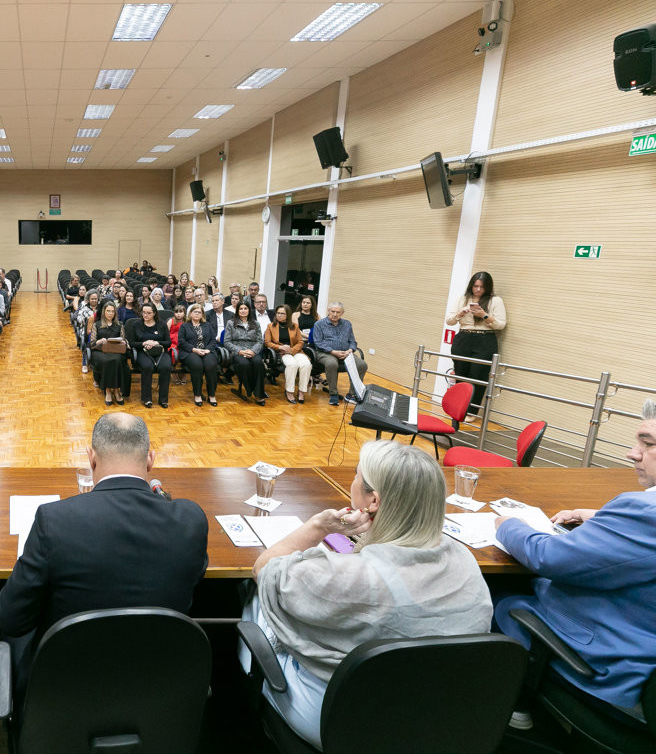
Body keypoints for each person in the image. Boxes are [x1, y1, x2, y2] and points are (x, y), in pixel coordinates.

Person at [240, 440, 491, 749]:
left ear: (373, 500)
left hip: (345, 723)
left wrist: (318, 525)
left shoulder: (349, 578)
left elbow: (265, 568)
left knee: (255, 597)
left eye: (357, 475)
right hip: (437, 720)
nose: (352, 481)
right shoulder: (464, 559)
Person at [0, 413, 208, 684]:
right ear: (150, 460)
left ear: (92, 458)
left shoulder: (54, 520)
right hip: (158, 691)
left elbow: (11, 619)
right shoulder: (191, 520)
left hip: (65, 694)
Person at [493, 399, 656, 724]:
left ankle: (512, 708)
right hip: (640, 632)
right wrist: (599, 518)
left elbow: (547, 557)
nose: (632, 453)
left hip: (609, 663)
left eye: (648, 444)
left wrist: (508, 525)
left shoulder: (643, 513)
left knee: (493, 592)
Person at [445, 271, 506, 414]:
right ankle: (458, 409)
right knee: (461, 374)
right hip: (464, 338)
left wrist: (484, 315)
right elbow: (449, 320)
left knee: (478, 376)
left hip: (485, 339)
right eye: (475, 286)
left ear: (488, 287)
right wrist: (461, 313)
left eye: (482, 287)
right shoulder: (463, 299)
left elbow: (501, 325)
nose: (478, 290)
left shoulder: (495, 301)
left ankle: (472, 411)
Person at [309, 301, 368, 406]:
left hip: (346, 353)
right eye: (333, 311)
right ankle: (333, 393)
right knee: (332, 363)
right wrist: (333, 352)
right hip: (325, 353)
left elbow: (353, 341)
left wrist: (350, 350)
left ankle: (351, 394)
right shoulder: (319, 324)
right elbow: (318, 343)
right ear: (328, 311)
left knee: (362, 365)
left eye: (338, 312)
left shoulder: (347, 324)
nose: (335, 314)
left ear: (342, 313)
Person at [127, 303, 171, 408]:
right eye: (143, 312)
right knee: (147, 367)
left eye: (148, 313)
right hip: (143, 351)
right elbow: (132, 343)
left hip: (160, 351)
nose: (145, 315)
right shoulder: (136, 324)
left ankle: (163, 399)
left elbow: (168, 343)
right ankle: (147, 398)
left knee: (166, 367)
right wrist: (144, 343)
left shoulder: (162, 324)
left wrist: (157, 343)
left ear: (154, 313)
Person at [267, 304, 311, 404]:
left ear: (288, 315)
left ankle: (301, 391)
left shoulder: (294, 326)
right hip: (282, 353)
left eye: (283, 313)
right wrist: (280, 347)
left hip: (295, 351)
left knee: (306, 364)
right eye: (278, 313)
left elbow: (300, 342)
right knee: (292, 365)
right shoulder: (271, 326)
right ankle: (289, 391)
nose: (280, 315)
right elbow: (267, 342)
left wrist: (291, 350)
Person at [178, 303, 220, 407]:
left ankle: (211, 395)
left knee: (211, 365)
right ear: (190, 314)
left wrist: (207, 350)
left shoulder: (208, 325)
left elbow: (213, 340)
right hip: (190, 352)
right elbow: (181, 342)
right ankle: (197, 394)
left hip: (206, 351)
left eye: (199, 312)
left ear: (202, 315)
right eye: (195, 312)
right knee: (197, 365)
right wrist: (194, 349)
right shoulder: (184, 326)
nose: (197, 314)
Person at [224, 302, 266, 405]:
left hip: (252, 351)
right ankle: (250, 389)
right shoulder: (231, 323)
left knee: (258, 363)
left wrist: (253, 351)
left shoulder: (256, 324)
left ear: (249, 310)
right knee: (244, 364)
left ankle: (258, 393)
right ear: (237, 310)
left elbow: (260, 341)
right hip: (237, 352)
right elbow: (226, 342)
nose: (243, 310)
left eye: (245, 308)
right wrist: (239, 351)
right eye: (241, 309)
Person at [89, 302, 130, 406]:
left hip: (116, 351)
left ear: (115, 313)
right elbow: (92, 344)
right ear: (104, 312)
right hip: (100, 351)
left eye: (112, 311)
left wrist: (124, 342)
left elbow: (124, 340)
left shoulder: (119, 325)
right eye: (108, 311)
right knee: (108, 361)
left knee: (116, 360)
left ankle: (116, 390)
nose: (110, 313)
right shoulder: (97, 324)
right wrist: (99, 341)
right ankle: (108, 390)